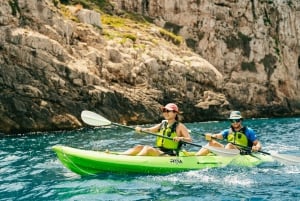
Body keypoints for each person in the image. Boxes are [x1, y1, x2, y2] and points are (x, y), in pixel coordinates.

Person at [121, 103, 192, 156]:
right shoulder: (163, 124)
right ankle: (121, 157)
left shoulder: (180, 126)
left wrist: (180, 138)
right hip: (160, 151)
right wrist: (141, 129)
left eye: (168, 111)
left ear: (175, 113)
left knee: (148, 148)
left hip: (170, 154)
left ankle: (135, 161)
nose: (165, 113)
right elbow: (150, 130)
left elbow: (189, 139)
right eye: (164, 110)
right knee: (139, 147)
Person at [196, 111, 262, 156]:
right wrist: (211, 136)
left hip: (243, 153)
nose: (235, 122)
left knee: (229, 145)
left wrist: (257, 148)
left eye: (237, 120)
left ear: (241, 120)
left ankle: (223, 157)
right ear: (230, 121)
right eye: (232, 121)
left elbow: (257, 143)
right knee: (211, 143)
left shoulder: (248, 131)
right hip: (228, 151)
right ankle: (197, 157)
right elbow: (218, 136)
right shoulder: (227, 131)